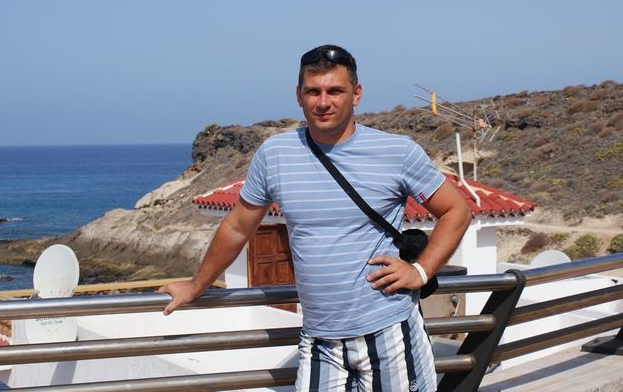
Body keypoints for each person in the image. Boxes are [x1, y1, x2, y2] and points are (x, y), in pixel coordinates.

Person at [160, 44, 472, 391]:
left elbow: (456, 210)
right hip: (320, 341)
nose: (323, 102)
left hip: (390, 332)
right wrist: (196, 286)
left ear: (356, 94)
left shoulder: (397, 152)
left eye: (335, 91)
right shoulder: (275, 154)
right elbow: (237, 226)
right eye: (313, 91)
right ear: (299, 96)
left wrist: (420, 270)